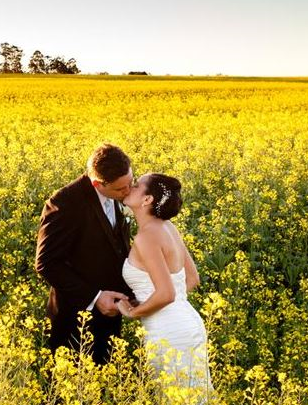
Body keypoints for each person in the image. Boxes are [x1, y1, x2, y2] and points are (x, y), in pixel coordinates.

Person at [35, 144, 135, 364]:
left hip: (112, 311)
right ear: (98, 184)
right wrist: (96, 296)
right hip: (77, 317)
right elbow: (46, 263)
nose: (128, 192)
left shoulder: (119, 191)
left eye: (131, 183)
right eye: (121, 189)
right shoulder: (64, 204)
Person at [117, 173, 212, 390]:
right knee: (194, 403)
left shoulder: (147, 236)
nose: (131, 186)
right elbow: (192, 279)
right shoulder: (168, 227)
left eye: (137, 185)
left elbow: (166, 294)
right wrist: (156, 301)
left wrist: (132, 312)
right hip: (187, 323)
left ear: (147, 199)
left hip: (168, 331)